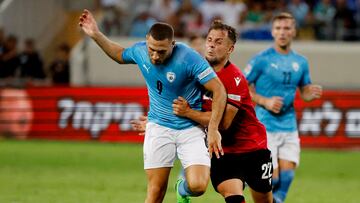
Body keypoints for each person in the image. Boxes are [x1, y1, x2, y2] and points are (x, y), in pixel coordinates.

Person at [79, 9, 227, 203]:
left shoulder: (189, 58)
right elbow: (119, 54)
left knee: (198, 186)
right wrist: (96, 35)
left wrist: (214, 129)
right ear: (147, 40)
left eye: (161, 51)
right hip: (159, 127)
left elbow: (219, 90)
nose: (155, 56)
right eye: (152, 50)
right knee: (156, 192)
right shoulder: (140, 51)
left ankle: (181, 190)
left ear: (173, 45)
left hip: (190, 129)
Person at [132, 20, 274, 203]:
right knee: (233, 197)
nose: (212, 45)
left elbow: (223, 124)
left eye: (219, 42)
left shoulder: (235, 79)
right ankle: (183, 190)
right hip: (222, 151)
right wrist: (156, 122)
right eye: (209, 40)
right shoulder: (195, 71)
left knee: (265, 200)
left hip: (253, 147)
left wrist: (188, 113)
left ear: (230, 49)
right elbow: (175, 100)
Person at [245, 12, 323, 203]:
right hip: (264, 125)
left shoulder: (301, 62)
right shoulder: (260, 59)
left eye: (287, 28)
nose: (282, 32)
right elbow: (243, 87)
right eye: (278, 28)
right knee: (273, 178)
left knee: (287, 176)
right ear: (272, 32)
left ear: (294, 31)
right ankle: (251, 177)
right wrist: (265, 101)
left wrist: (309, 94)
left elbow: (303, 91)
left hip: (289, 125)